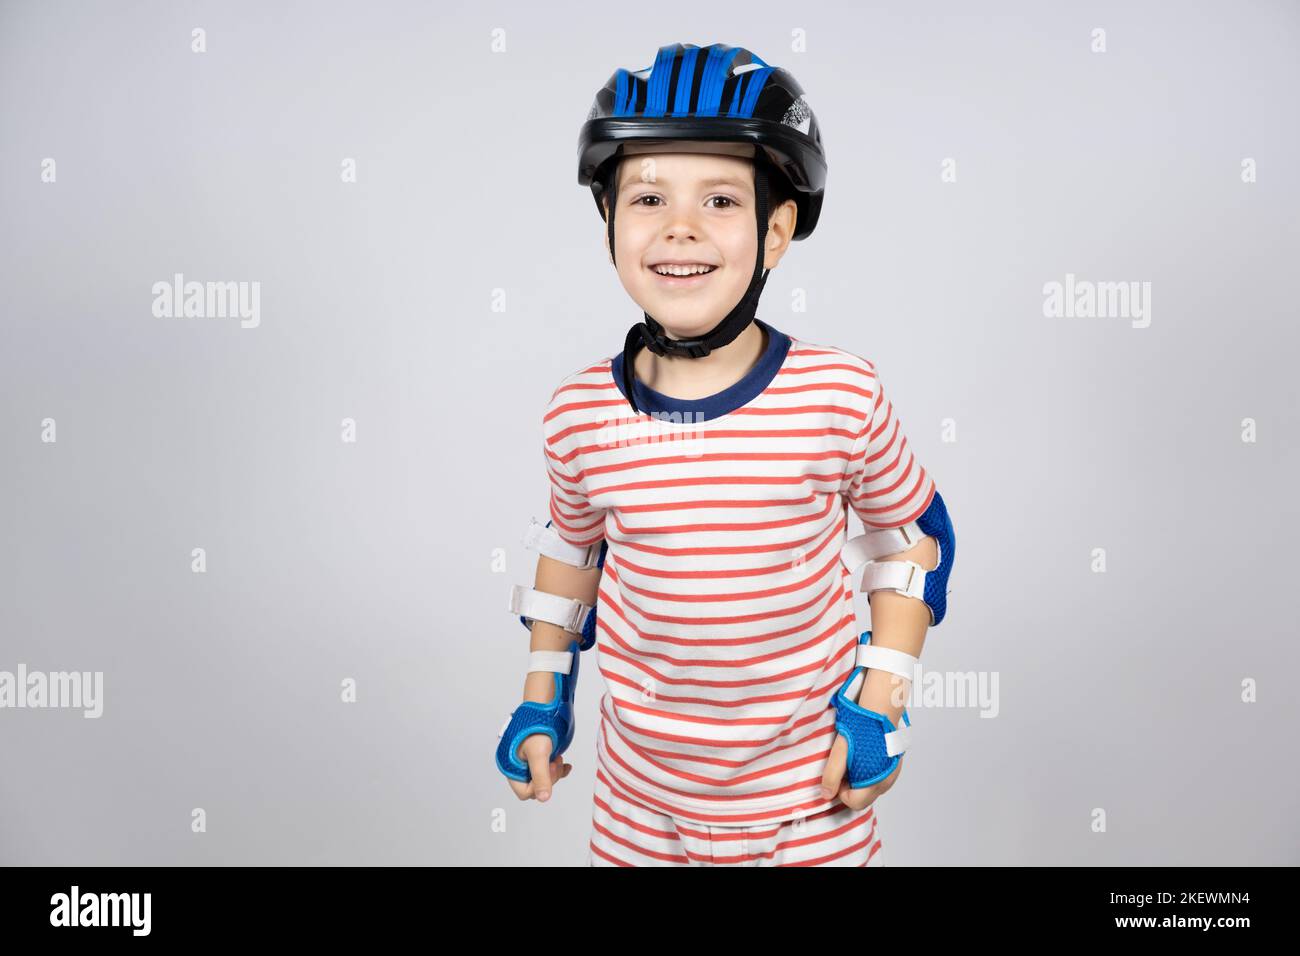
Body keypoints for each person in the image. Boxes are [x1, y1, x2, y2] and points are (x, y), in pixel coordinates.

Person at [494, 42, 956, 866]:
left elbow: (913, 542)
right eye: (646, 197)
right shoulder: (580, 415)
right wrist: (542, 698)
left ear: (776, 229)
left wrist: (880, 702)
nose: (680, 228)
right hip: (642, 809)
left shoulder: (837, 395)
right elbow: (572, 553)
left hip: (809, 800)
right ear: (608, 220)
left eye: (718, 199)